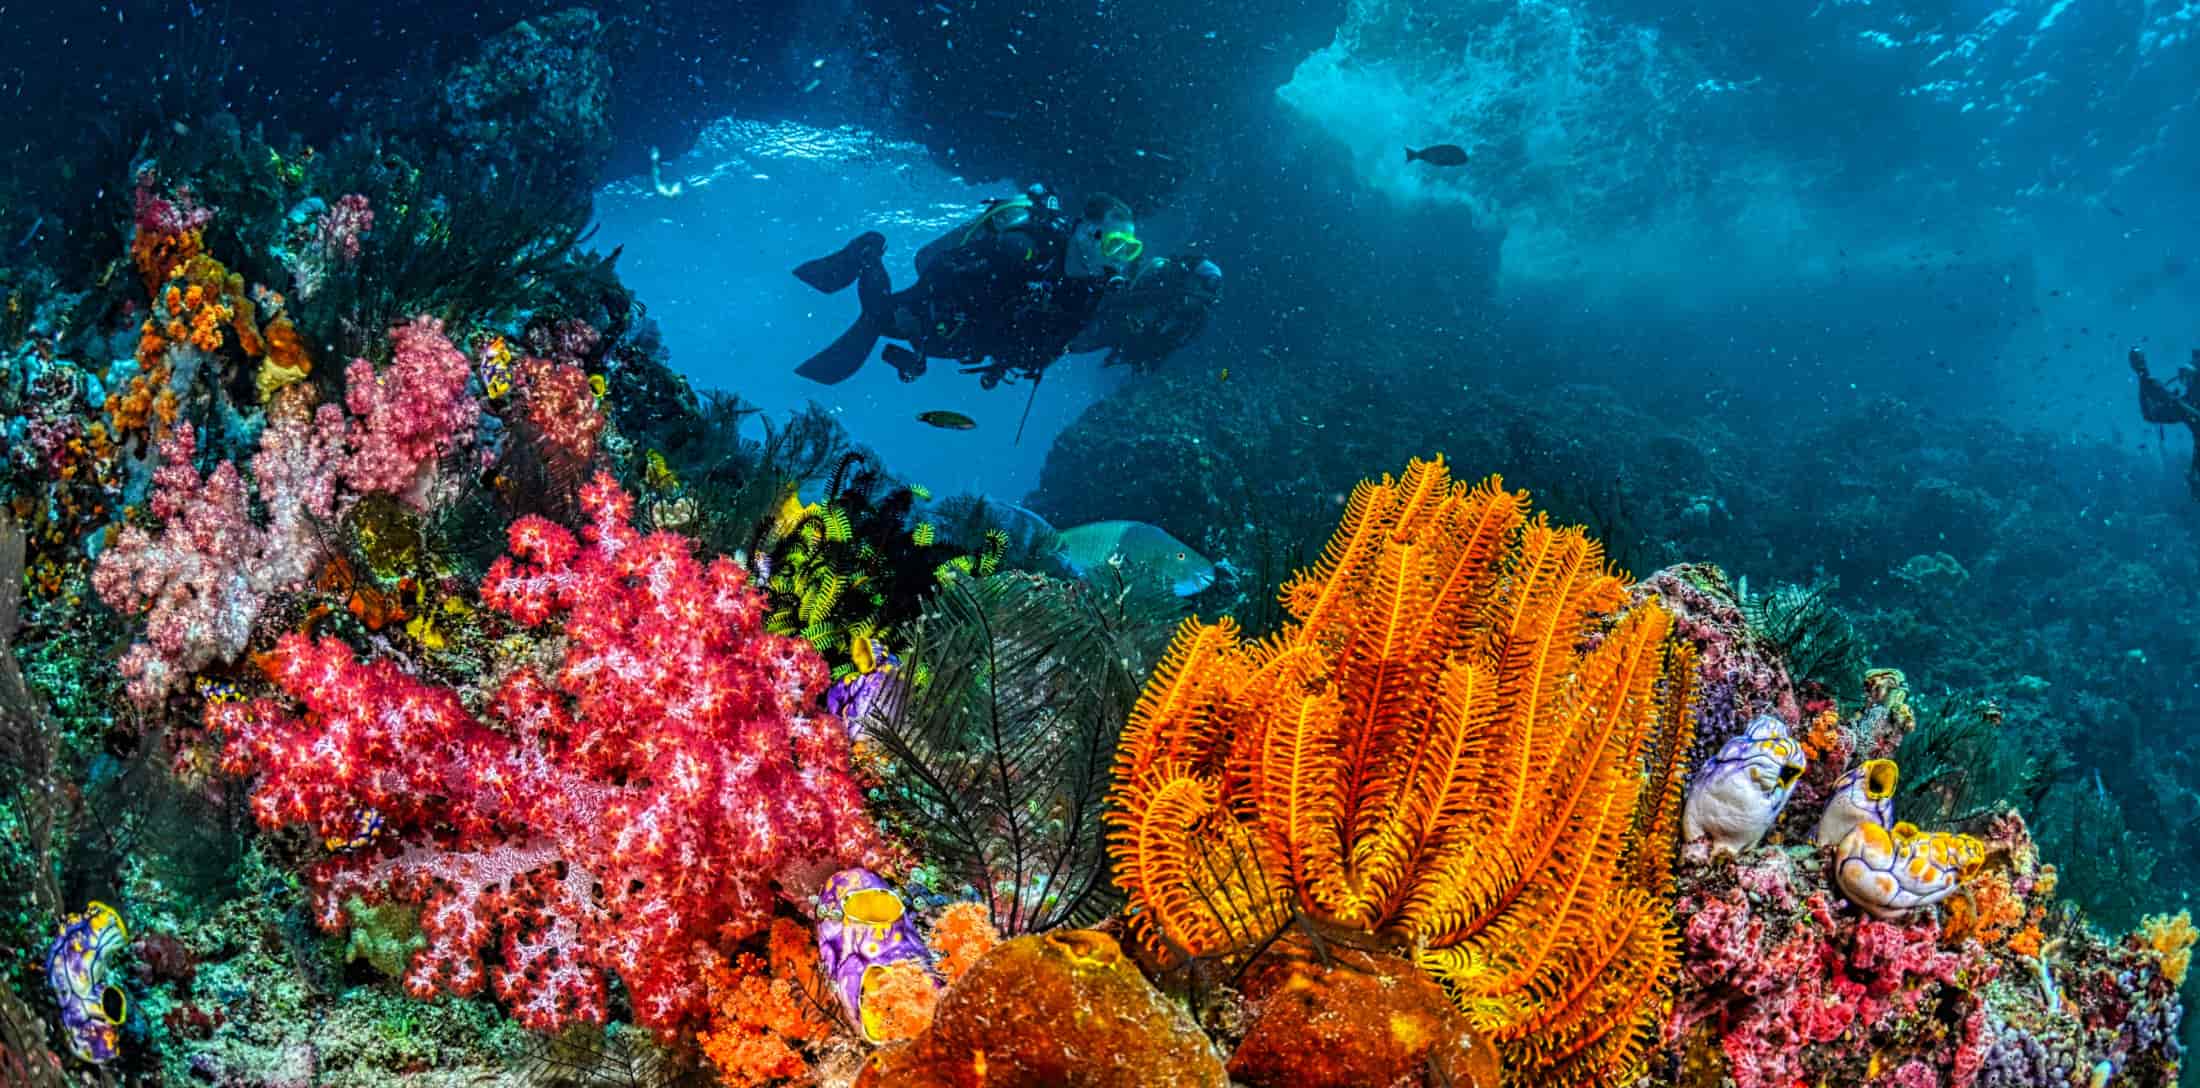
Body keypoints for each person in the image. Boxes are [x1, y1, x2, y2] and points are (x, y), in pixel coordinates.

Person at [791, 186, 1143, 387]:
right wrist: (927, 316)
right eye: (1115, 245)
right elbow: (945, 268)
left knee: (886, 326)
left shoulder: (1092, 289)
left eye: (1129, 250)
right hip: (939, 311)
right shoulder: (1023, 248)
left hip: (970, 341)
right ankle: (869, 251)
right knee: (880, 316)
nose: (1119, 260)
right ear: (1085, 232)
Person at [1065, 252, 1223, 372]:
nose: (1199, 304)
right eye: (1199, 297)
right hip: (1105, 327)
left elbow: (1168, 347)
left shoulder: (1196, 318)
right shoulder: (1160, 290)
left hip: (1122, 344)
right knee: (1073, 342)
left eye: (1204, 300)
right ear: (1190, 282)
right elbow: (1118, 301)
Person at [2130, 346, 2200, 500]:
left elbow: (2152, 414)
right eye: (2186, 378)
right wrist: (2143, 376)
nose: (2187, 383)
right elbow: (2152, 414)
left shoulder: (2187, 407)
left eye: (2192, 378)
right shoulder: (2186, 407)